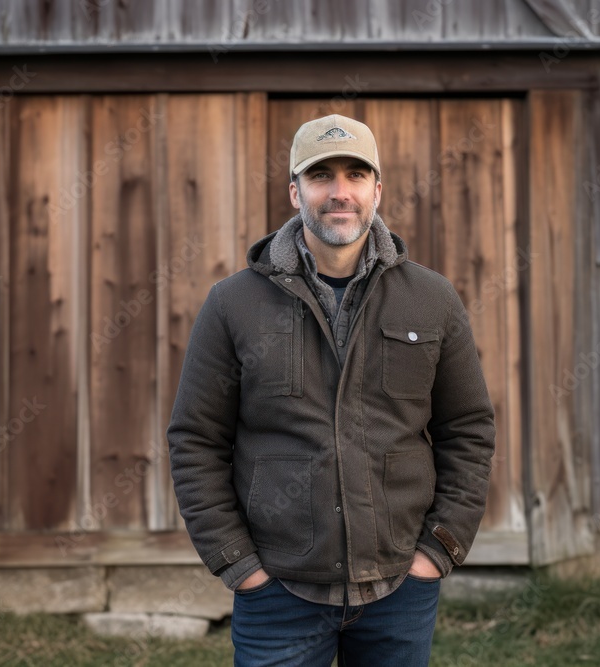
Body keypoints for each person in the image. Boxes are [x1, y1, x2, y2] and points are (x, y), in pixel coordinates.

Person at [167, 113, 496, 666]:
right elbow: (195, 439)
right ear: (295, 191)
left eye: (355, 175)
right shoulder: (233, 305)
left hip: (398, 590)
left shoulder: (431, 299)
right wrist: (241, 566)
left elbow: (468, 429)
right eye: (321, 176)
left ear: (377, 189)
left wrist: (437, 551)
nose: (340, 193)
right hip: (278, 594)